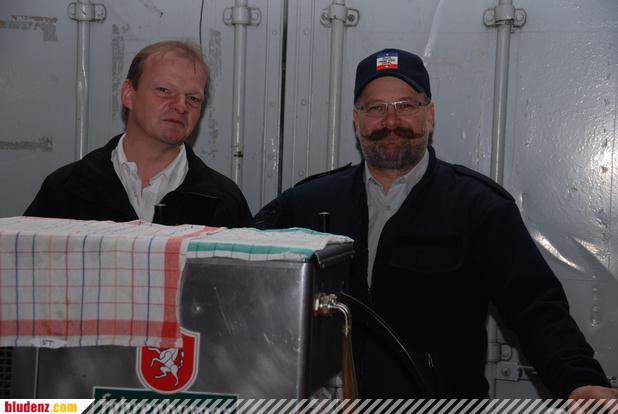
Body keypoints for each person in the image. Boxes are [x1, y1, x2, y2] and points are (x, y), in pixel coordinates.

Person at [255, 48, 618, 399]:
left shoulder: (479, 207)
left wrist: (579, 381)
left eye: (405, 106)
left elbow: (536, 308)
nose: (391, 121)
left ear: (429, 115)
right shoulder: (307, 202)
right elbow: (240, 259)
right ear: (357, 119)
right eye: (376, 108)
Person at [25, 40, 252, 228]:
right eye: (164, 90)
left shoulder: (224, 202)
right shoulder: (66, 189)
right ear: (128, 94)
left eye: (193, 98)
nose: (181, 106)